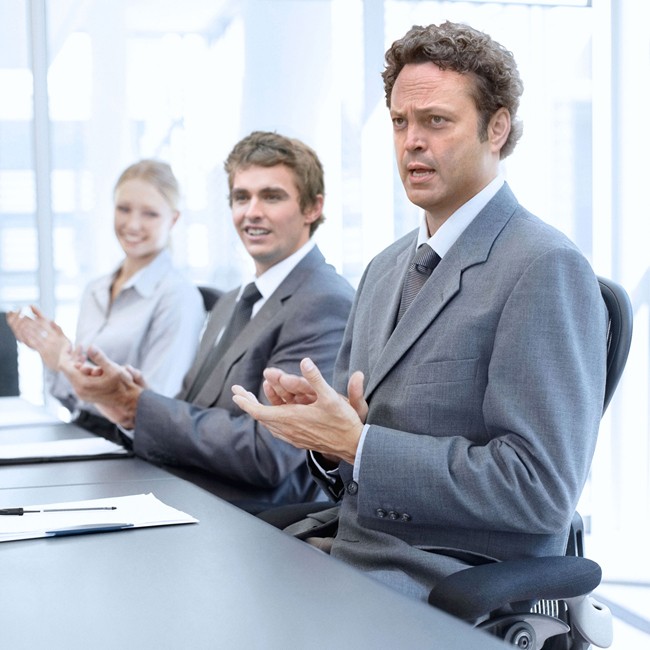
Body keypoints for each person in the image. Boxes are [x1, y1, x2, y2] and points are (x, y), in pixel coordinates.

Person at [232, 22, 608, 601]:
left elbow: (539, 490)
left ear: (497, 129)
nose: (411, 141)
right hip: (350, 552)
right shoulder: (385, 269)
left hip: (442, 577)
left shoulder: (544, 267)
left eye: (436, 121)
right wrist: (326, 435)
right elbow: (354, 451)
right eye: (400, 122)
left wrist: (361, 446)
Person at [59, 131, 355, 511]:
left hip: (249, 522)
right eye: (241, 197)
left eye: (272, 196)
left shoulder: (324, 301)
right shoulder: (232, 300)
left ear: (313, 208)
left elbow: (268, 454)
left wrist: (141, 407)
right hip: (185, 495)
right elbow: (192, 407)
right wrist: (130, 401)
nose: (252, 212)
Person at [7, 160, 205, 439]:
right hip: (84, 433)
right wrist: (55, 357)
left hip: (131, 448)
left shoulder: (178, 297)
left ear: (172, 220)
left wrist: (69, 367)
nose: (133, 224)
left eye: (149, 214)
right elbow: (76, 403)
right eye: (124, 209)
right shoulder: (95, 290)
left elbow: (157, 410)